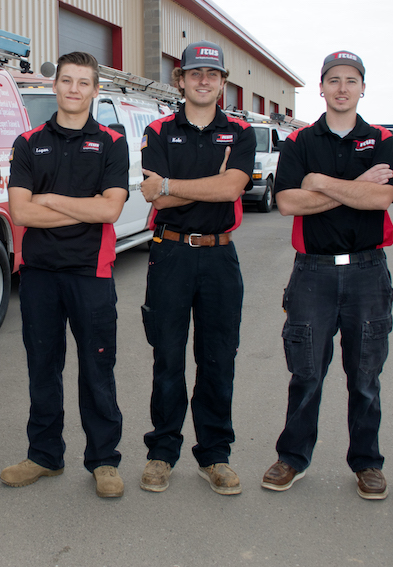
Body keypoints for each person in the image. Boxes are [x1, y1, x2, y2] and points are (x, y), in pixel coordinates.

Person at [262, 50, 393, 500]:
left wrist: (319, 183)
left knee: (364, 375)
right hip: (312, 274)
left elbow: (381, 200)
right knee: (306, 372)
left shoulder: (382, 139)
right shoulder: (301, 143)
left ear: (363, 88)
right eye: (333, 80)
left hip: (367, 271)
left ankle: (367, 464)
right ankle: (292, 458)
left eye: (351, 80)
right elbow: (287, 203)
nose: (342, 88)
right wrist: (358, 186)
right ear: (320, 88)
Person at [0, 51, 129, 498]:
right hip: (38, 275)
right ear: (55, 86)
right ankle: (44, 456)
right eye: (67, 81)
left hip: (91, 274)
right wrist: (81, 209)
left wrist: (49, 200)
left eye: (83, 83)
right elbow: (20, 211)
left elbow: (110, 208)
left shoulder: (112, 142)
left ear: (95, 90)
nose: (74, 89)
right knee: (42, 367)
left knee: (97, 368)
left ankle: (104, 461)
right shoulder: (27, 141)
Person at [136, 41, 255, 496]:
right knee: (167, 357)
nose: (203, 80)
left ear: (223, 83)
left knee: (218, 358)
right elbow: (155, 197)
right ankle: (162, 453)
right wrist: (209, 185)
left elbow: (231, 190)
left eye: (212, 74)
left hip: (220, 256)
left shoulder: (239, 133)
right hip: (170, 255)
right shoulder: (159, 130)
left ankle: (215, 455)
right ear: (180, 80)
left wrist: (176, 185)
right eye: (195, 73)